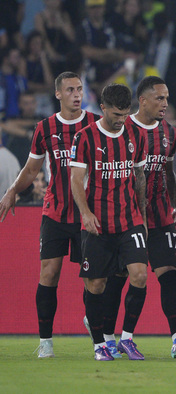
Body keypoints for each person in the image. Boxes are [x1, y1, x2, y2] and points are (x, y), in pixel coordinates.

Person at [86, 76, 176, 359]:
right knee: (118, 278)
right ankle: (108, 336)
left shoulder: (170, 133)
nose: (165, 104)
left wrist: (175, 201)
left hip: (161, 214)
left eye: (167, 98)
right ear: (142, 100)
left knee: (168, 274)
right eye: (160, 98)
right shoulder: (122, 128)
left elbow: (167, 169)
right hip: (126, 215)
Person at [0, 71, 101, 358]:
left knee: (94, 280)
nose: (77, 94)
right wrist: (11, 192)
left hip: (87, 214)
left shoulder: (95, 124)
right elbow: (32, 169)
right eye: (70, 90)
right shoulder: (45, 128)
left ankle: (94, 327)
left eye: (79, 89)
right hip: (55, 213)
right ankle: (45, 341)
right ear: (57, 94)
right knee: (49, 274)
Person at [70, 83, 148, 361]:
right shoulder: (85, 138)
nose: (121, 120)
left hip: (130, 220)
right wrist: (85, 213)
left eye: (125, 114)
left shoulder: (136, 134)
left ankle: (127, 338)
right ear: (102, 108)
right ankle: (99, 344)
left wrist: (143, 215)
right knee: (96, 285)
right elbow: (76, 179)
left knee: (139, 275)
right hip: (97, 224)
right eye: (116, 114)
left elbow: (139, 177)